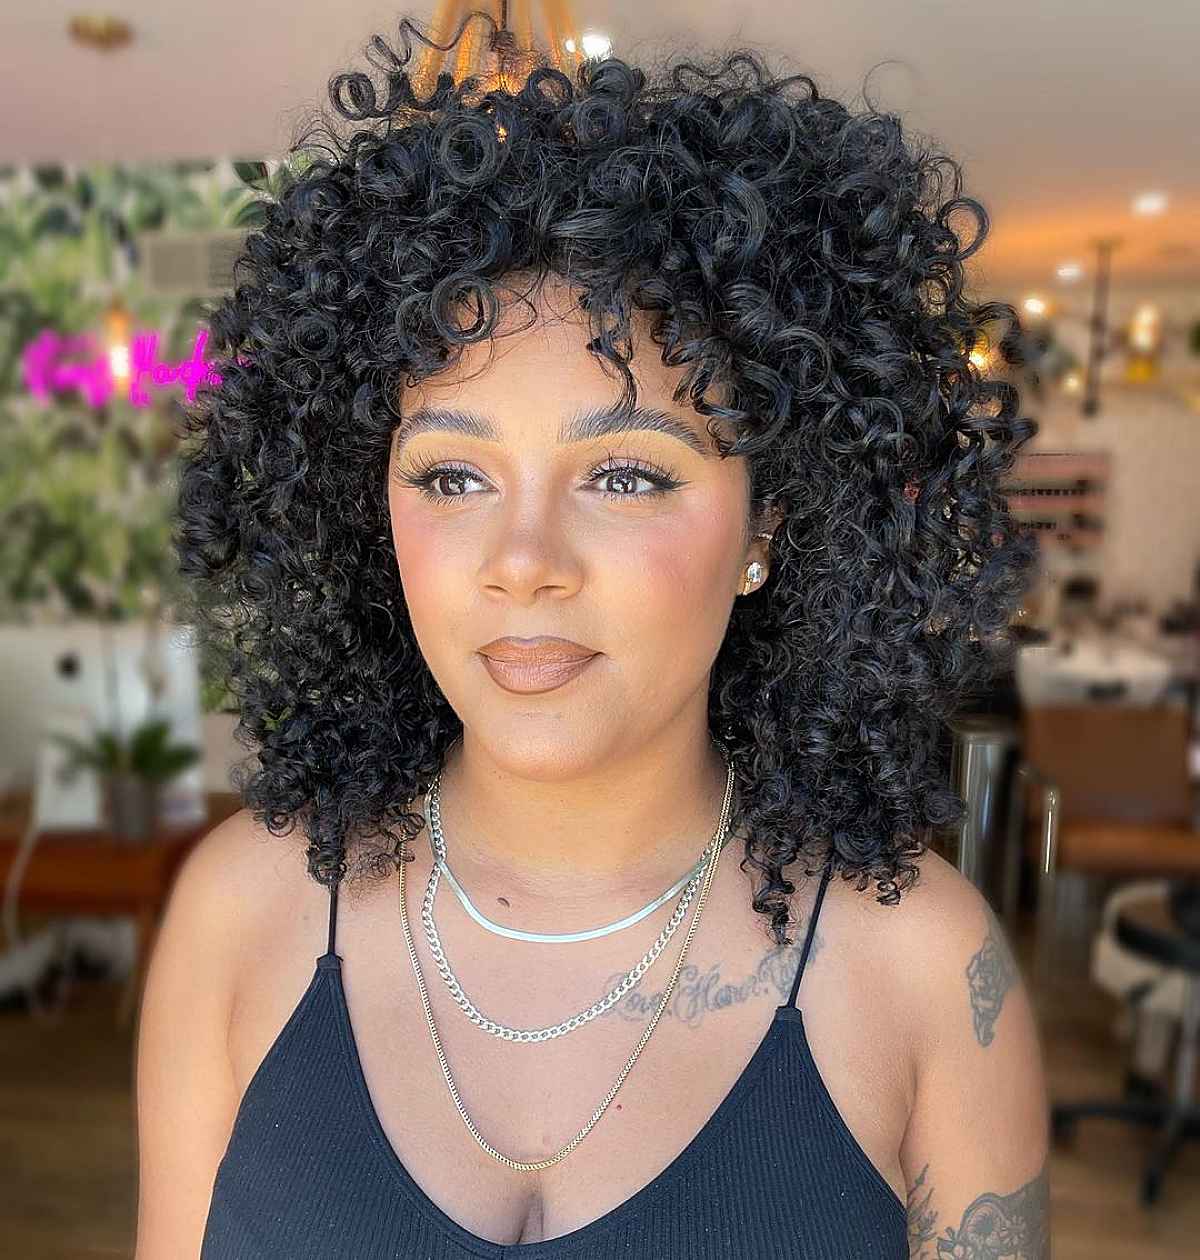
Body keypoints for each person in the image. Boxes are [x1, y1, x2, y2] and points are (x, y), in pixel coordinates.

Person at [135, 12, 1052, 1258]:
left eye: (625, 474)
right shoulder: (243, 912)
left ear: (766, 525)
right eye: (452, 476)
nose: (523, 562)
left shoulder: (925, 971)